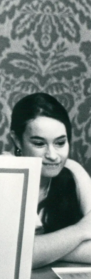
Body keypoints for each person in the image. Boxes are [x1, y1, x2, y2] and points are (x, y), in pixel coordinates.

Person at [10, 93, 91, 268]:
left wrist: (44, 250)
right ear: (17, 140)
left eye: (60, 143)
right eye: (39, 144)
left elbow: (29, 253)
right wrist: (81, 231)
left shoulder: (72, 170)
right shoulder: (5, 175)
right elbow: (15, 256)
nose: (53, 156)